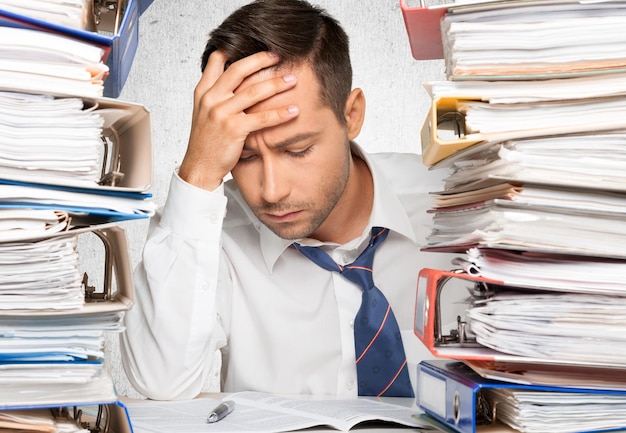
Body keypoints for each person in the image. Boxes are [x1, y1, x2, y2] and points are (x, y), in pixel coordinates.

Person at [120, 0, 449, 400]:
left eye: (297, 150)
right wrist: (199, 171)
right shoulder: (210, 236)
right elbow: (161, 382)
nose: (272, 191)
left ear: (352, 115)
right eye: (245, 156)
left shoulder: (456, 203)